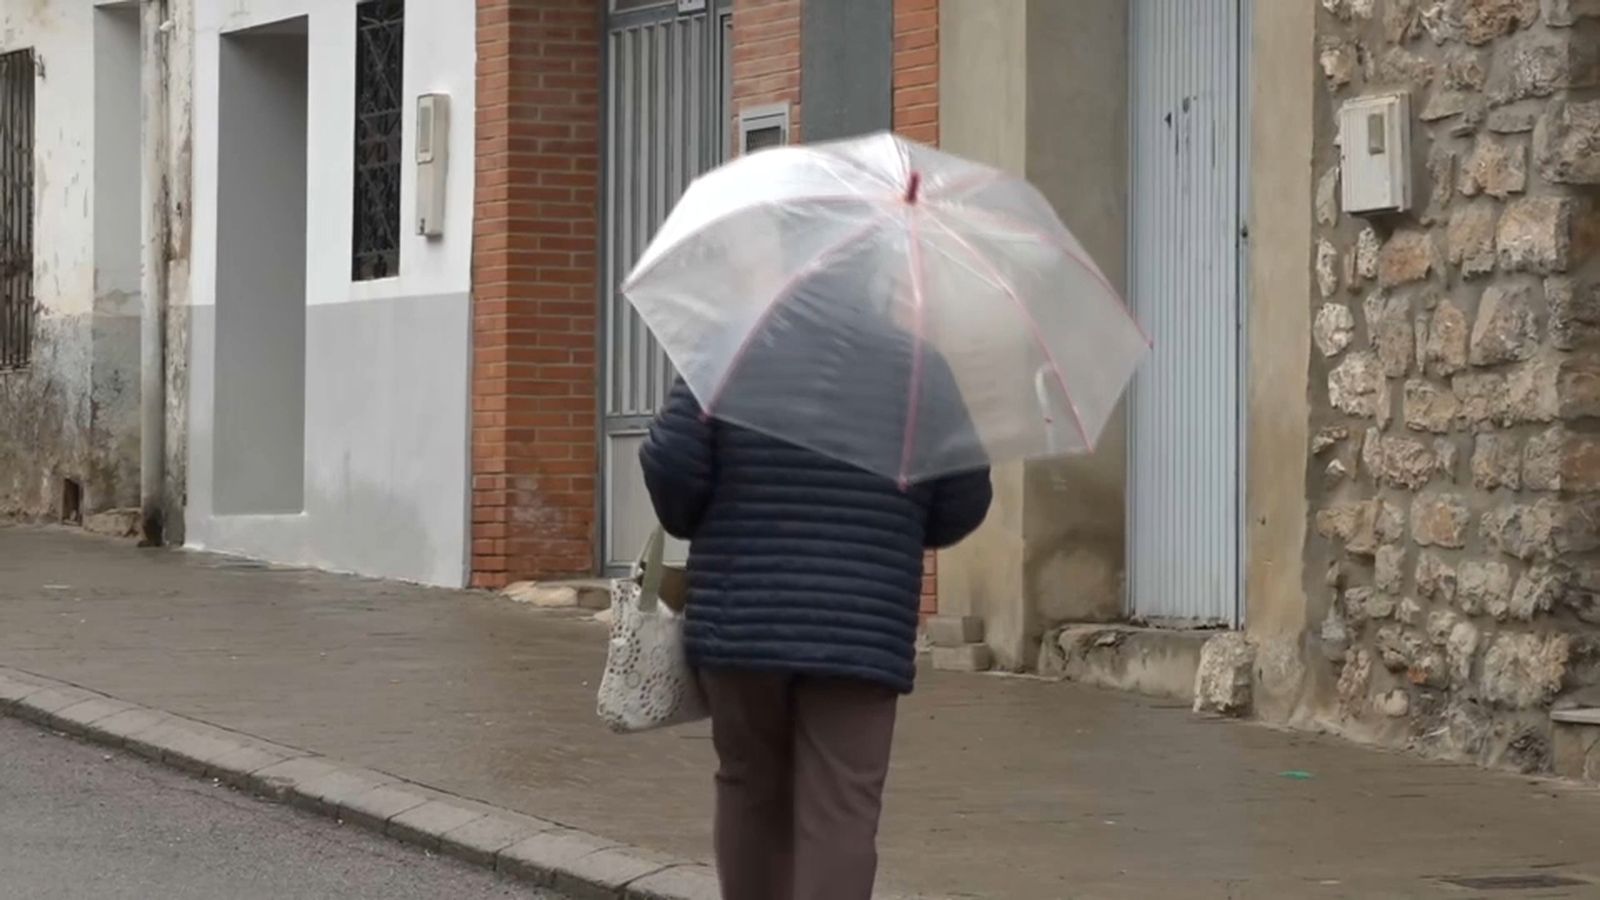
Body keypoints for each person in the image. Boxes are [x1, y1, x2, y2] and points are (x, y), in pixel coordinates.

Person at [637, 295, 993, 899]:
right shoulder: (920, 369)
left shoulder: (730, 349)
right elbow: (963, 498)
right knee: (844, 806)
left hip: (741, 617)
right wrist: (896, 526)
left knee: (749, 784)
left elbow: (672, 469)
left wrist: (704, 512)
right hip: (862, 627)